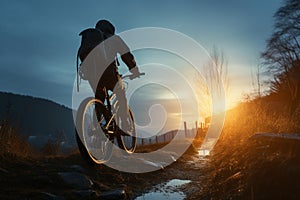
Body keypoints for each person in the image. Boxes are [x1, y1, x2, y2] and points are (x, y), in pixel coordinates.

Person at [92, 19, 141, 132]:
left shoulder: (93, 39)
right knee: (121, 92)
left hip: (92, 74)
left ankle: (96, 127)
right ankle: (124, 123)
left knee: (99, 99)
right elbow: (126, 55)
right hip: (109, 72)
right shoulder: (114, 38)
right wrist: (135, 70)